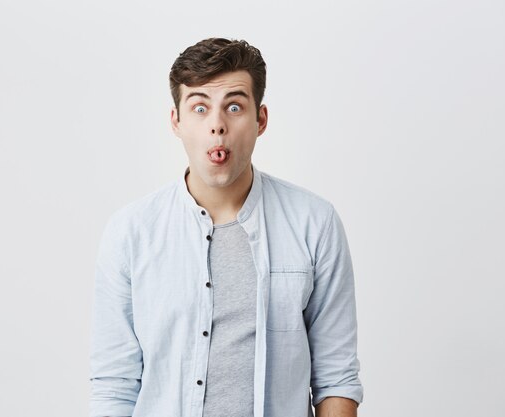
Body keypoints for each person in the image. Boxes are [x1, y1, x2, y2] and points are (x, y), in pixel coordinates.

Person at [90, 37, 364, 417]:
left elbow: (336, 378)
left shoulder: (314, 223)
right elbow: (114, 385)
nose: (217, 126)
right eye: (199, 108)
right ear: (177, 121)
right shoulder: (131, 233)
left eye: (234, 107)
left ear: (260, 119)